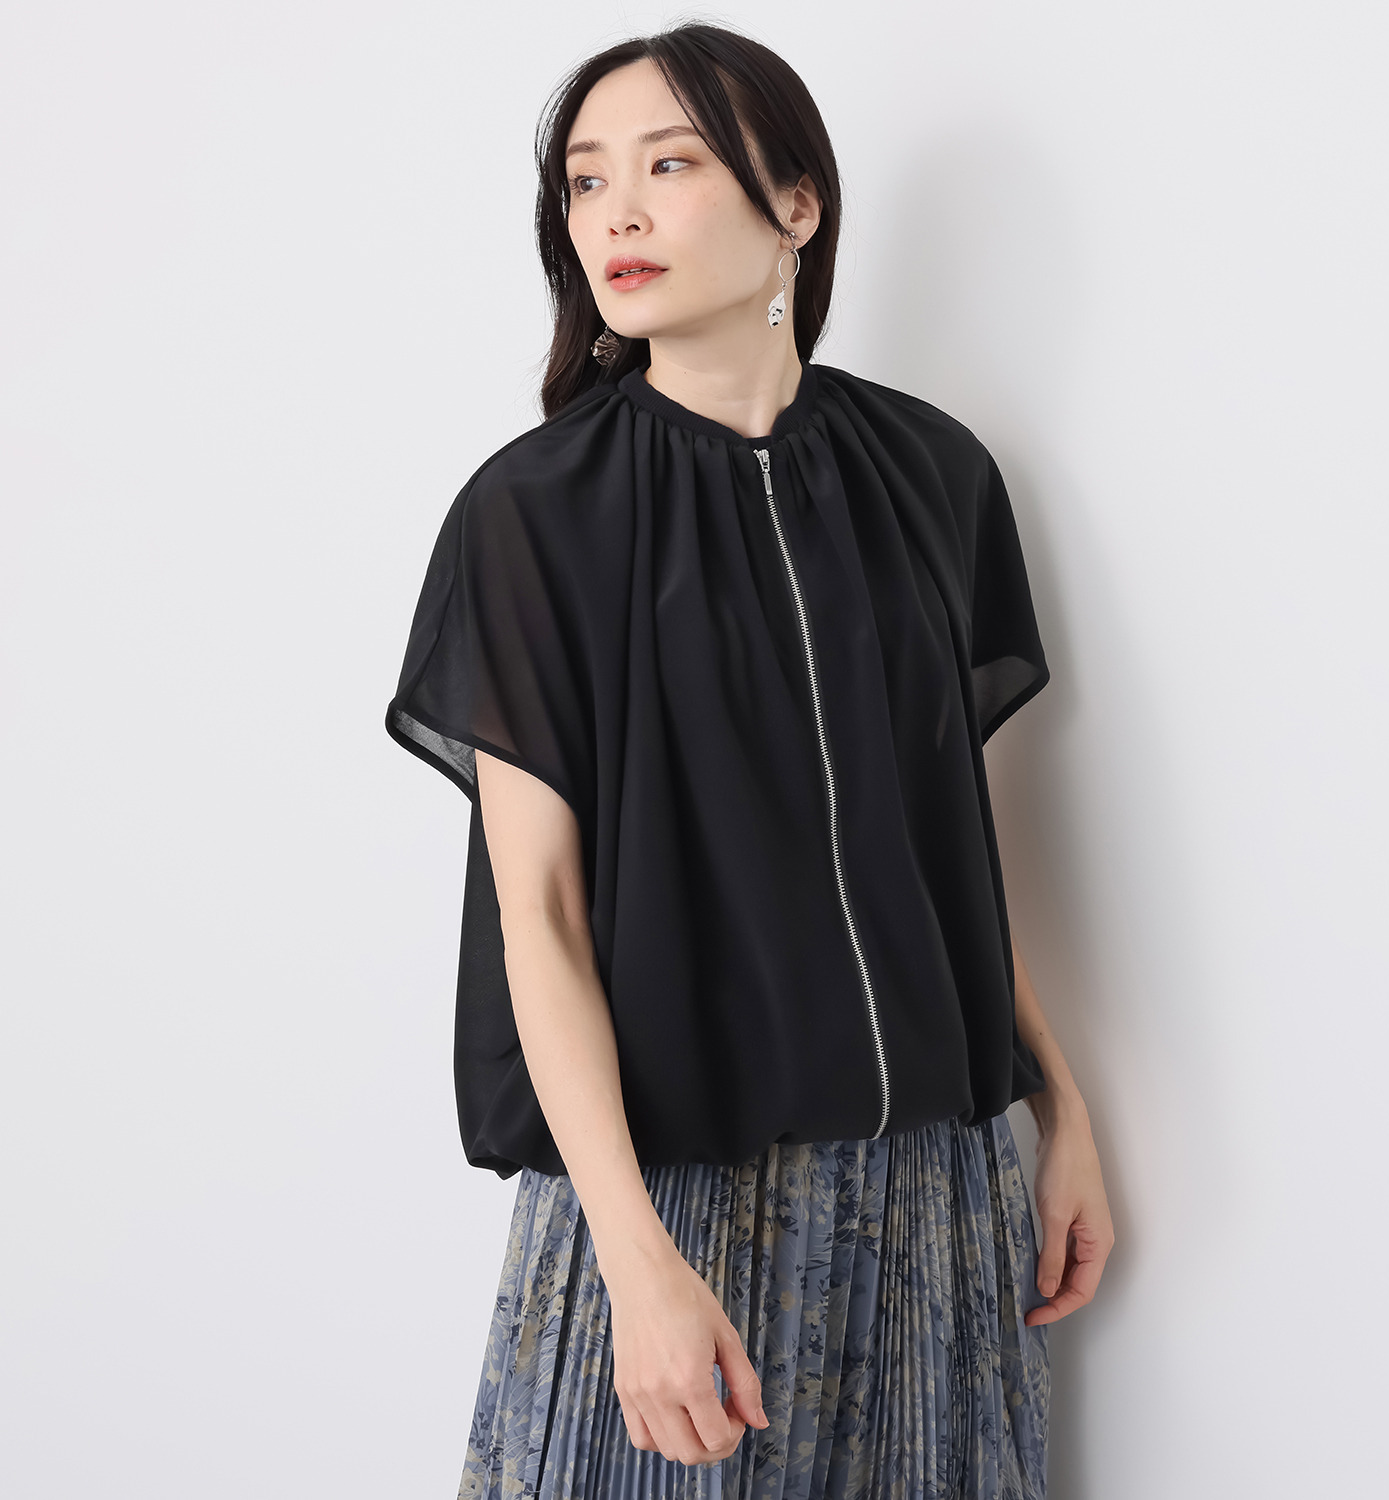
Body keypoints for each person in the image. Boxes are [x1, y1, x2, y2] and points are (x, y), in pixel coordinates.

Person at [385, 21, 1114, 1500]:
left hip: (935, 1197)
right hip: (669, 1202)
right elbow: (542, 916)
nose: (618, 213)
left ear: (797, 203)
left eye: (669, 165)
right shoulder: (537, 514)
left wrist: (1059, 1106)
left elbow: (945, 855)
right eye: (587, 181)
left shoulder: (935, 477)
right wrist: (635, 1261)